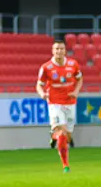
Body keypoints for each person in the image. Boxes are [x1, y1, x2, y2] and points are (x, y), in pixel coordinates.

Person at [36, 40, 83, 173]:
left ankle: (54, 136)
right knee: (62, 132)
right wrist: (42, 93)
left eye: (61, 49)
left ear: (65, 50)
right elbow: (39, 84)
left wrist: (76, 92)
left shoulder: (73, 64)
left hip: (70, 103)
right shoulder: (46, 67)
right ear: (53, 51)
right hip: (55, 103)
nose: (59, 51)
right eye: (56, 49)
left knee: (67, 135)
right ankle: (65, 165)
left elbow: (80, 78)